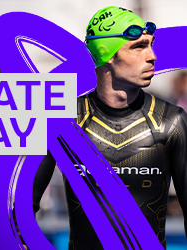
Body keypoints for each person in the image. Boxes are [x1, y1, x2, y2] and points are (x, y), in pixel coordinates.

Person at [19, 6, 187, 250]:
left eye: (151, 44)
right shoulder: (61, 119)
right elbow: (22, 209)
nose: (152, 56)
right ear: (106, 54)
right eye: (138, 46)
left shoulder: (171, 121)